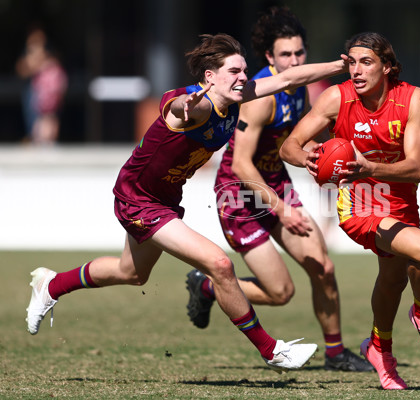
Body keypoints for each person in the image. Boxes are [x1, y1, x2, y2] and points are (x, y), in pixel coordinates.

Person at [25, 33, 348, 373]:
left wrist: (339, 65)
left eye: (244, 71)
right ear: (210, 77)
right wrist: (184, 106)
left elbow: (288, 77)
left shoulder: (237, 97)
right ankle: (271, 350)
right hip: (138, 198)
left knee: (131, 273)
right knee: (220, 264)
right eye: (234, 72)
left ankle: (51, 284)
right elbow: (176, 107)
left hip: (164, 197)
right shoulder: (198, 103)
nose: (243, 78)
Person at [184, 7, 373, 373]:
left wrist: (337, 153)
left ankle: (335, 353)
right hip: (239, 195)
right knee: (281, 293)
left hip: (275, 184)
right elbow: (240, 164)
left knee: (323, 266)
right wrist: (282, 209)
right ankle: (207, 288)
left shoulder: (298, 88)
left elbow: (297, 135)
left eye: (299, 53)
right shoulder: (259, 96)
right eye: (286, 54)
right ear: (270, 57)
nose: (295, 60)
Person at [279, 32, 420, 389]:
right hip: (358, 206)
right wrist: (310, 161)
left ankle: (380, 348)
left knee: (392, 282)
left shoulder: (412, 99)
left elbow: (416, 167)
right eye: (351, 62)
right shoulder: (336, 98)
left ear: (387, 66)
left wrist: (369, 167)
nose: (356, 71)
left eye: (366, 62)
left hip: (401, 202)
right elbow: (289, 147)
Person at [15, 27, 68, 145]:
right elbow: (21, 70)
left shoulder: (52, 65)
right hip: (36, 103)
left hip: (49, 105)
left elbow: (59, 85)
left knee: (48, 126)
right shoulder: (30, 61)